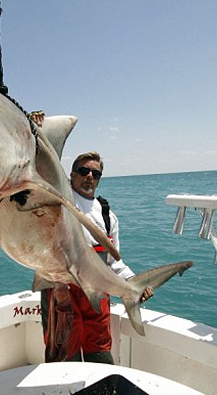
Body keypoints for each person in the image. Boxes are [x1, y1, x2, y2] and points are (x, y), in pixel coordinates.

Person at [41, 151, 153, 364]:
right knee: (64, 354)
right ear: (72, 175)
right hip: (62, 289)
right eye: (84, 171)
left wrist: (133, 284)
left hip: (98, 292)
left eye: (96, 173)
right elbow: (44, 169)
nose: (90, 176)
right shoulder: (60, 199)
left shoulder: (107, 215)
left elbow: (114, 263)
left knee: (100, 353)